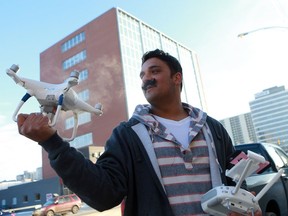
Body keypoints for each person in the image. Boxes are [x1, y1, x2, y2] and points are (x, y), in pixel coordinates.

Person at [17, 49, 261, 216]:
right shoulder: (127, 135)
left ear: (177, 78)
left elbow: (235, 181)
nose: (146, 79)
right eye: (142, 75)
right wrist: (53, 143)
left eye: (154, 71)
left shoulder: (214, 129)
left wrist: (248, 203)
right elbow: (104, 195)